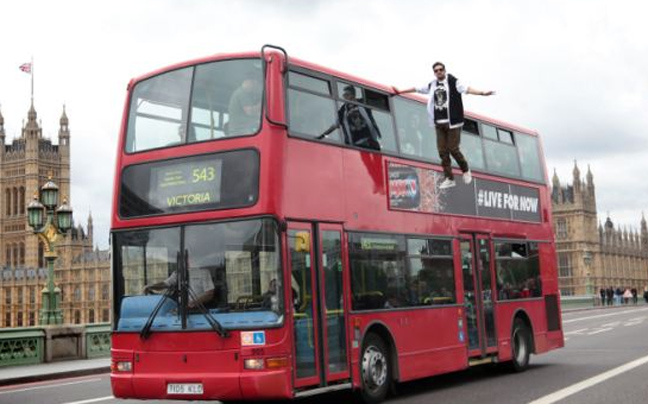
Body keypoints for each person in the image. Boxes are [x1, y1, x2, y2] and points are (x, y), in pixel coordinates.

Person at [395, 62, 495, 189]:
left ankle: (465, 170)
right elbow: (417, 88)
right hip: (439, 123)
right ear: (434, 73)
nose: (438, 72)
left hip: (452, 123)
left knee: (453, 148)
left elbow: (467, 89)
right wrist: (400, 91)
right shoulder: (432, 84)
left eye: (441, 70)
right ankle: (449, 178)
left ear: (445, 70)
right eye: (436, 71)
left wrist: (482, 93)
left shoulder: (453, 81)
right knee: (442, 151)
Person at [319, 85, 381, 150]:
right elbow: (335, 125)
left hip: (369, 140)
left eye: (346, 94)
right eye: (344, 95)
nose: (344, 97)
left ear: (352, 95)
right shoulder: (343, 111)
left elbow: (378, 104)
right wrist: (322, 136)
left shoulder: (362, 103)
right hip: (355, 143)